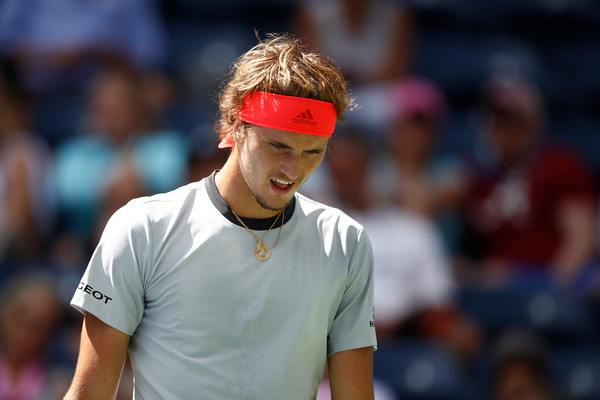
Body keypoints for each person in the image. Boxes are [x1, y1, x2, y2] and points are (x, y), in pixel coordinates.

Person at [64, 34, 377, 399]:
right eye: (278, 146)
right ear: (234, 126)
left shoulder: (346, 242)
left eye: (313, 152)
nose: (293, 169)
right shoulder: (141, 229)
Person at [461, 73, 597, 291]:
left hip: (556, 279)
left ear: (532, 124)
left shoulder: (559, 166)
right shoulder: (476, 177)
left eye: (513, 121)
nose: (503, 131)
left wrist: (550, 291)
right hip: (500, 284)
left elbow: (580, 241)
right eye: (497, 121)